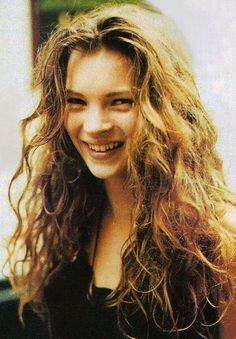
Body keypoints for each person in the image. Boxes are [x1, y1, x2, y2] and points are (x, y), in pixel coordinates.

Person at [6, 3, 236, 338]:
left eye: (120, 102)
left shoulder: (218, 243)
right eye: (77, 102)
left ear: (162, 109)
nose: (95, 125)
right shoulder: (68, 223)